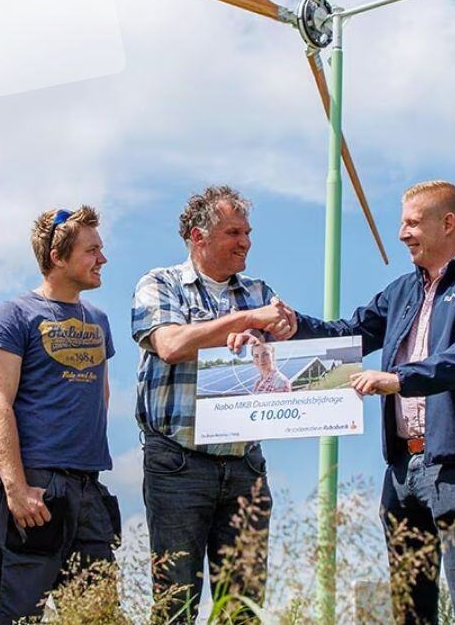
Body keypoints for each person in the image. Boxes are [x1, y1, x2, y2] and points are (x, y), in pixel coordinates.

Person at [244, 180, 455, 624]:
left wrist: (399, 379)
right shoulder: (400, 292)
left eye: (412, 223)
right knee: (409, 608)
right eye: (402, 223)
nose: (401, 233)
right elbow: (349, 333)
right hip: (401, 471)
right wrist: (294, 326)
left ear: (447, 223)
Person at [131, 185, 299, 621]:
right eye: (233, 232)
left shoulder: (261, 291)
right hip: (178, 465)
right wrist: (246, 321)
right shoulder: (159, 284)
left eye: (247, 232)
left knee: (242, 606)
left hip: (245, 465)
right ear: (197, 236)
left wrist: (281, 329)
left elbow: (286, 348)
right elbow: (169, 345)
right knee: (175, 603)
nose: (245, 242)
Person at [0, 206, 121, 624]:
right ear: (59, 257)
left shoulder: (98, 320)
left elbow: (102, 396)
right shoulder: (15, 314)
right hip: (37, 486)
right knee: (21, 616)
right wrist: (15, 487)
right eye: (92, 250)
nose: (103, 259)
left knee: (98, 616)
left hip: (89, 487)